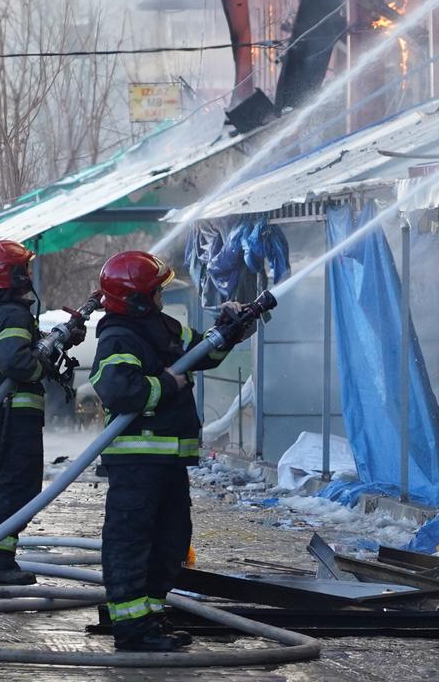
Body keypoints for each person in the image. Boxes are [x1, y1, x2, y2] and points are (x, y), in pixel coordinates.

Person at [91, 250, 260, 652]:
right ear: (137, 299)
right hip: (136, 463)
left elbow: (205, 353)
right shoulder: (118, 336)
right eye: (156, 291)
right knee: (131, 544)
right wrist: (168, 383)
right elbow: (118, 390)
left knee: (170, 541)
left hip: (167, 462)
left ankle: (150, 617)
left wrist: (231, 327)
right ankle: (131, 628)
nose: (162, 296)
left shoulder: (162, 326)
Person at [0, 239, 66, 586]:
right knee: (19, 488)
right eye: (25, 268)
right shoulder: (12, 313)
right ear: (13, 274)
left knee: (1, 486)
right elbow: (17, 363)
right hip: (12, 415)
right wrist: (43, 368)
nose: (29, 273)